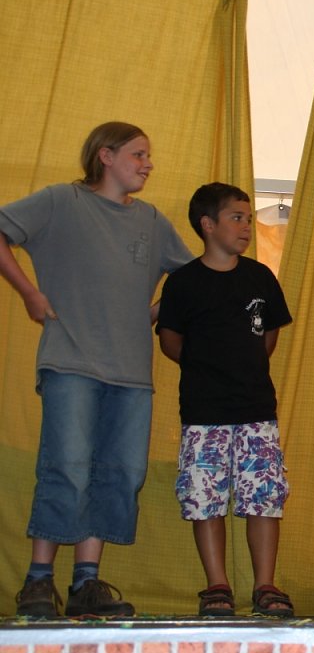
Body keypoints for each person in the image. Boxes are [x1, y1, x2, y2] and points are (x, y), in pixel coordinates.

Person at [0, 121, 192, 617]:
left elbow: (191, 278)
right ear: (105, 156)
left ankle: (86, 583)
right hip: (71, 360)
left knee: (120, 473)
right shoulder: (61, 201)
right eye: (138, 154)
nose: (148, 164)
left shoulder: (152, 221)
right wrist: (29, 292)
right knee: (65, 466)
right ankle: (38, 581)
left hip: (131, 373)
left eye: (148, 156)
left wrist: (155, 311)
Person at [157, 183, 293, 617]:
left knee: (264, 496)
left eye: (249, 219)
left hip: (256, 410)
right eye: (236, 217)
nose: (246, 226)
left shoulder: (260, 277)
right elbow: (170, 340)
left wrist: (243, 368)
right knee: (204, 497)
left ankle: (265, 585)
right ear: (208, 224)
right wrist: (206, 368)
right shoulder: (183, 282)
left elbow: (268, 335)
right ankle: (217, 584)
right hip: (203, 413)